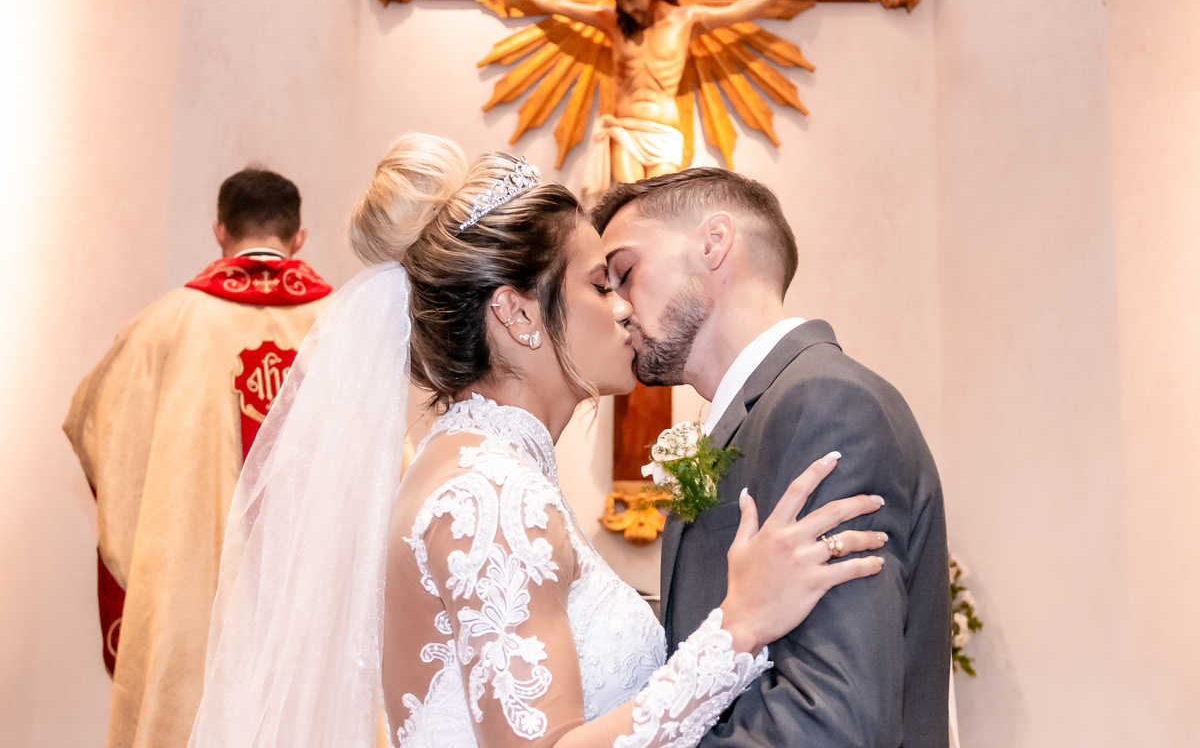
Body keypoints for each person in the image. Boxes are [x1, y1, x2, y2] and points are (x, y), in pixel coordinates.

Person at [187, 135, 890, 748]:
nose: (623, 308)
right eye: (598, 282)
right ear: (517, 314)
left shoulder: (483, 470)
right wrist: (739, 627)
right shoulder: (485, 494)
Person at [591, 168, 951, 747]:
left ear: (714, 243)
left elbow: (833, 724)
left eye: (626, 273)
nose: (618, 308)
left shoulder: (826, 404)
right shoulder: (761, 416)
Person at [64, 167, 332, 748]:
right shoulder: (341, 327)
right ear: (299, 236)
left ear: (219, 230)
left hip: (197, 595)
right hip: (310, 602)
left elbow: (97, 426)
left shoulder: (167, 324)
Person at [474, 0, 826, 194]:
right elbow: (555, 2)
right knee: (628, 202)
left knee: (660, 208)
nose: (625, 4)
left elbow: (740, 10)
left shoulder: (684, 20)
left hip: (664, 132)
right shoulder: (611, 22)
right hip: (626, 129)